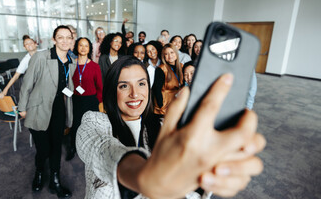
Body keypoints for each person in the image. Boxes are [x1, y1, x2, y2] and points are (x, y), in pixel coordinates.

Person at [76, 56, 266, 199]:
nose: (135, 94)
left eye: (141, 84)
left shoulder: (164, 128)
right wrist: (144, 176)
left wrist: (204, 176)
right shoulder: (95, 122)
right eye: (124, 86)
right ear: (111, 92)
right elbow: (100, 149)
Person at [18, 25, 76, 198]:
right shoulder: (41, 57)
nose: (65, 40)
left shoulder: (70, 61)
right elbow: (27, 84)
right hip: (38, 108)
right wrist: (22, 108)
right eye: (61, 37)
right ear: (54, 40)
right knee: (44, 149)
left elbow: (67, 87)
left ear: (72, 40)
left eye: (68, 37)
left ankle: (55, 182)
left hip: (58, 107)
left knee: (56, 146)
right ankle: (40, 173)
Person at [66, 37, 103, 161]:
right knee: (75, 125)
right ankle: (73, 147)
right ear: (77, 47)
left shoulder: (94, 66)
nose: (83, 48)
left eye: (86, 46)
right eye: (81, 45)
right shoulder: (70, 65)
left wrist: (97, 101)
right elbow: (66, 84)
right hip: (75, 100)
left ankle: (91, 149)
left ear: (89, 49)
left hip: (91, 101)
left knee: (91, 126)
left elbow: (100, 87)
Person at [152, 43, 183, 116]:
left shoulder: (181, 66)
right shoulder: (161, 69)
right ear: (163, 57)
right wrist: (161, 105)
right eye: (166, 54)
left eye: (172, 52)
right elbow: (157, 89)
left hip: (177, 102)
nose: (170, 56)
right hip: (165, 104)